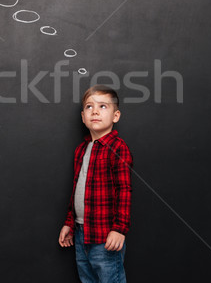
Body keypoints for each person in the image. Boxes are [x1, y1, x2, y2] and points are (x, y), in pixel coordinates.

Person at [58, 85, 133, 283]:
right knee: (87, 278)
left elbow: (124, 190)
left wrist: (119, 228)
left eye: (103, 106)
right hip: (82, 232)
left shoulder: (117, 148)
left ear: (115, 116)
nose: (96, 112)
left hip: (105, 233)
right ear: (83, 117)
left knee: (110, 279)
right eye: (89, 107)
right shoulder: (82, 150)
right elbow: (76, 190)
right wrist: (69, 223)